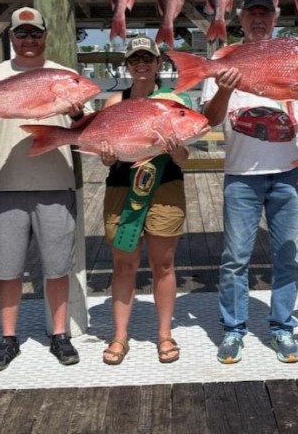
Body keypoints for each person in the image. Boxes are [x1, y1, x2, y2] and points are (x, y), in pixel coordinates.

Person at [201, 0, 298, 364]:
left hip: (287, 174)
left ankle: (282, 326)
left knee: (288, 256)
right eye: (251, 12)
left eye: (264, 12)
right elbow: (211, 118)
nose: (258, 19)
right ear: (241, 18)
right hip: (241, 175)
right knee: (235, 257)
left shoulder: (294, 55)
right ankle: (234, 329)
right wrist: (221, 87)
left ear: (274, 17)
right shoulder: (223, 58)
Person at [0, 7, 85, 370]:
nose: (29, 39)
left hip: (56, 182)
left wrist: (80, 112)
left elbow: (85, 125)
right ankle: (8, 338)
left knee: (57, 266)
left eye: (35, 33)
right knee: (7, 268)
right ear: (11, 38)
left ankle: (60, 333)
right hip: (6, 183)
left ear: (46, 36)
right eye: (22, 34)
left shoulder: (65, 75)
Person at [98, 35, 190, 365]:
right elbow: (105, 155)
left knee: (163, 264)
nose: (141, 64)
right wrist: (106, 156)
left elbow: (184, 156)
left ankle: (164, 334)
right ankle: (120, 336)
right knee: (124, 265)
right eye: (134, 58)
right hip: (123, 188)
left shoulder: (173, 101)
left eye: (147, 58)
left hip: (165, 187)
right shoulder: (113, 103)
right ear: (126, 64)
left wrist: (179, 151)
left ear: (157, 64)